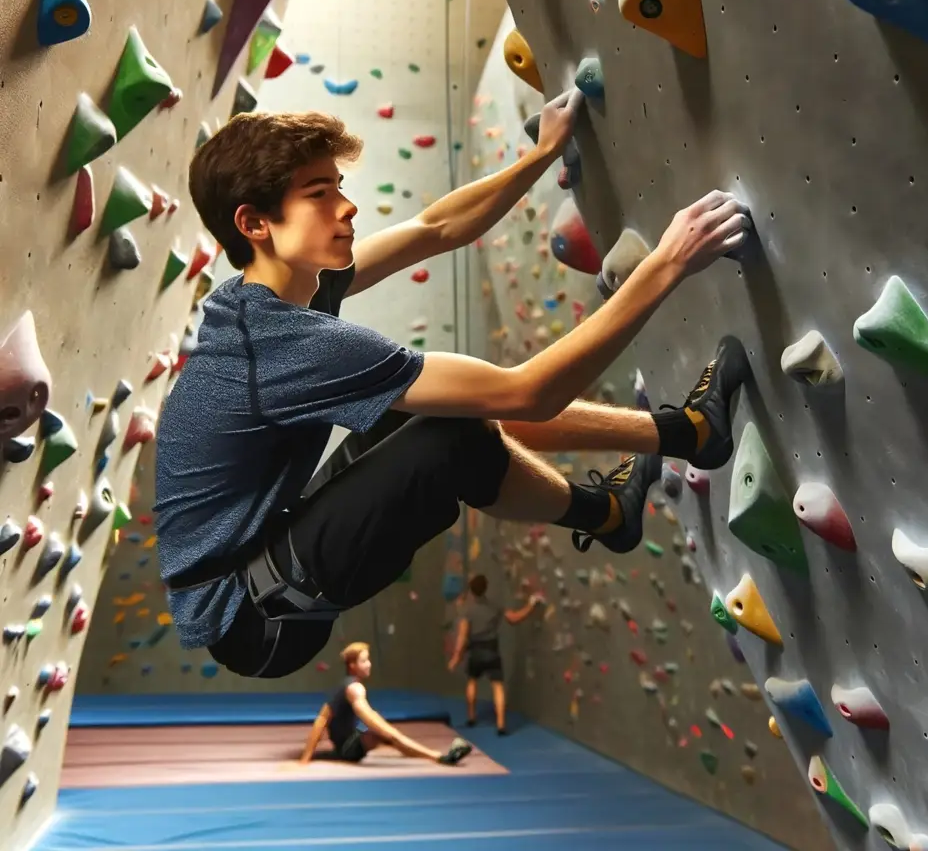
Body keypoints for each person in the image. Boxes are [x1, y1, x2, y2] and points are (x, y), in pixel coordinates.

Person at [154, 88, 753, 680]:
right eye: (320, 194)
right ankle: (629, 490)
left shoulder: (275, 292)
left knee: (440, 405)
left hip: (266, 557)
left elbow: (437, 227)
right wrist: (666, 265)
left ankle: (673, 449)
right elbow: (528, 393)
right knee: (451, 438)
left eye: (338, 186)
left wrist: (539, 156)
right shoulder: (280, 344)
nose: (347, 206)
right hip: (256, 618)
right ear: (254, 224)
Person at [299, 642, 471, 766]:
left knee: (388, 737)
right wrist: (304, 760)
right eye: (364, 661)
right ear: (352, 666)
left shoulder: (344, 685)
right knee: (389, 736)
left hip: (344, 744)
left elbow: (322, 718)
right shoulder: (355, 689)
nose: (369, 664)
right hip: (347, 749)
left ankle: (421, 752)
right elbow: (322, 721)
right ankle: (439, 757)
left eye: (368, 660)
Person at [447, 575, 540, 734]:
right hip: (491, 650)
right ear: (486, 588)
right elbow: (513, 618)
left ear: (471, 590)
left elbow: (462, 637)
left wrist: (456, 658)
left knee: (472, 681)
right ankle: (501, 724)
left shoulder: (468, 610)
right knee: (498, 687)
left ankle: (471, 717)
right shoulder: (495, 606)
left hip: (475, 650)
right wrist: (531, 604)